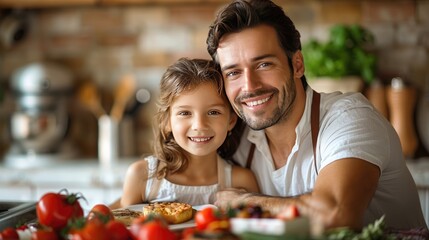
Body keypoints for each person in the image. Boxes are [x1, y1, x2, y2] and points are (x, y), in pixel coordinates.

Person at [206, 0, 427, 231]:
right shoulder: (236, 135)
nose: (249, 86)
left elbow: (335, 215)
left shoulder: (350, 117)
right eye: (233, 72)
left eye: (264, 64)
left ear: (298, 65)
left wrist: (246, 202)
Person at [116, 57, 259, 208]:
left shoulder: (242, 182)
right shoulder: (142, 176)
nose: (199, 125)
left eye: (213, 112)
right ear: (166, 121)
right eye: (185, 113)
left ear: (231, 120)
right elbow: (127, 227)